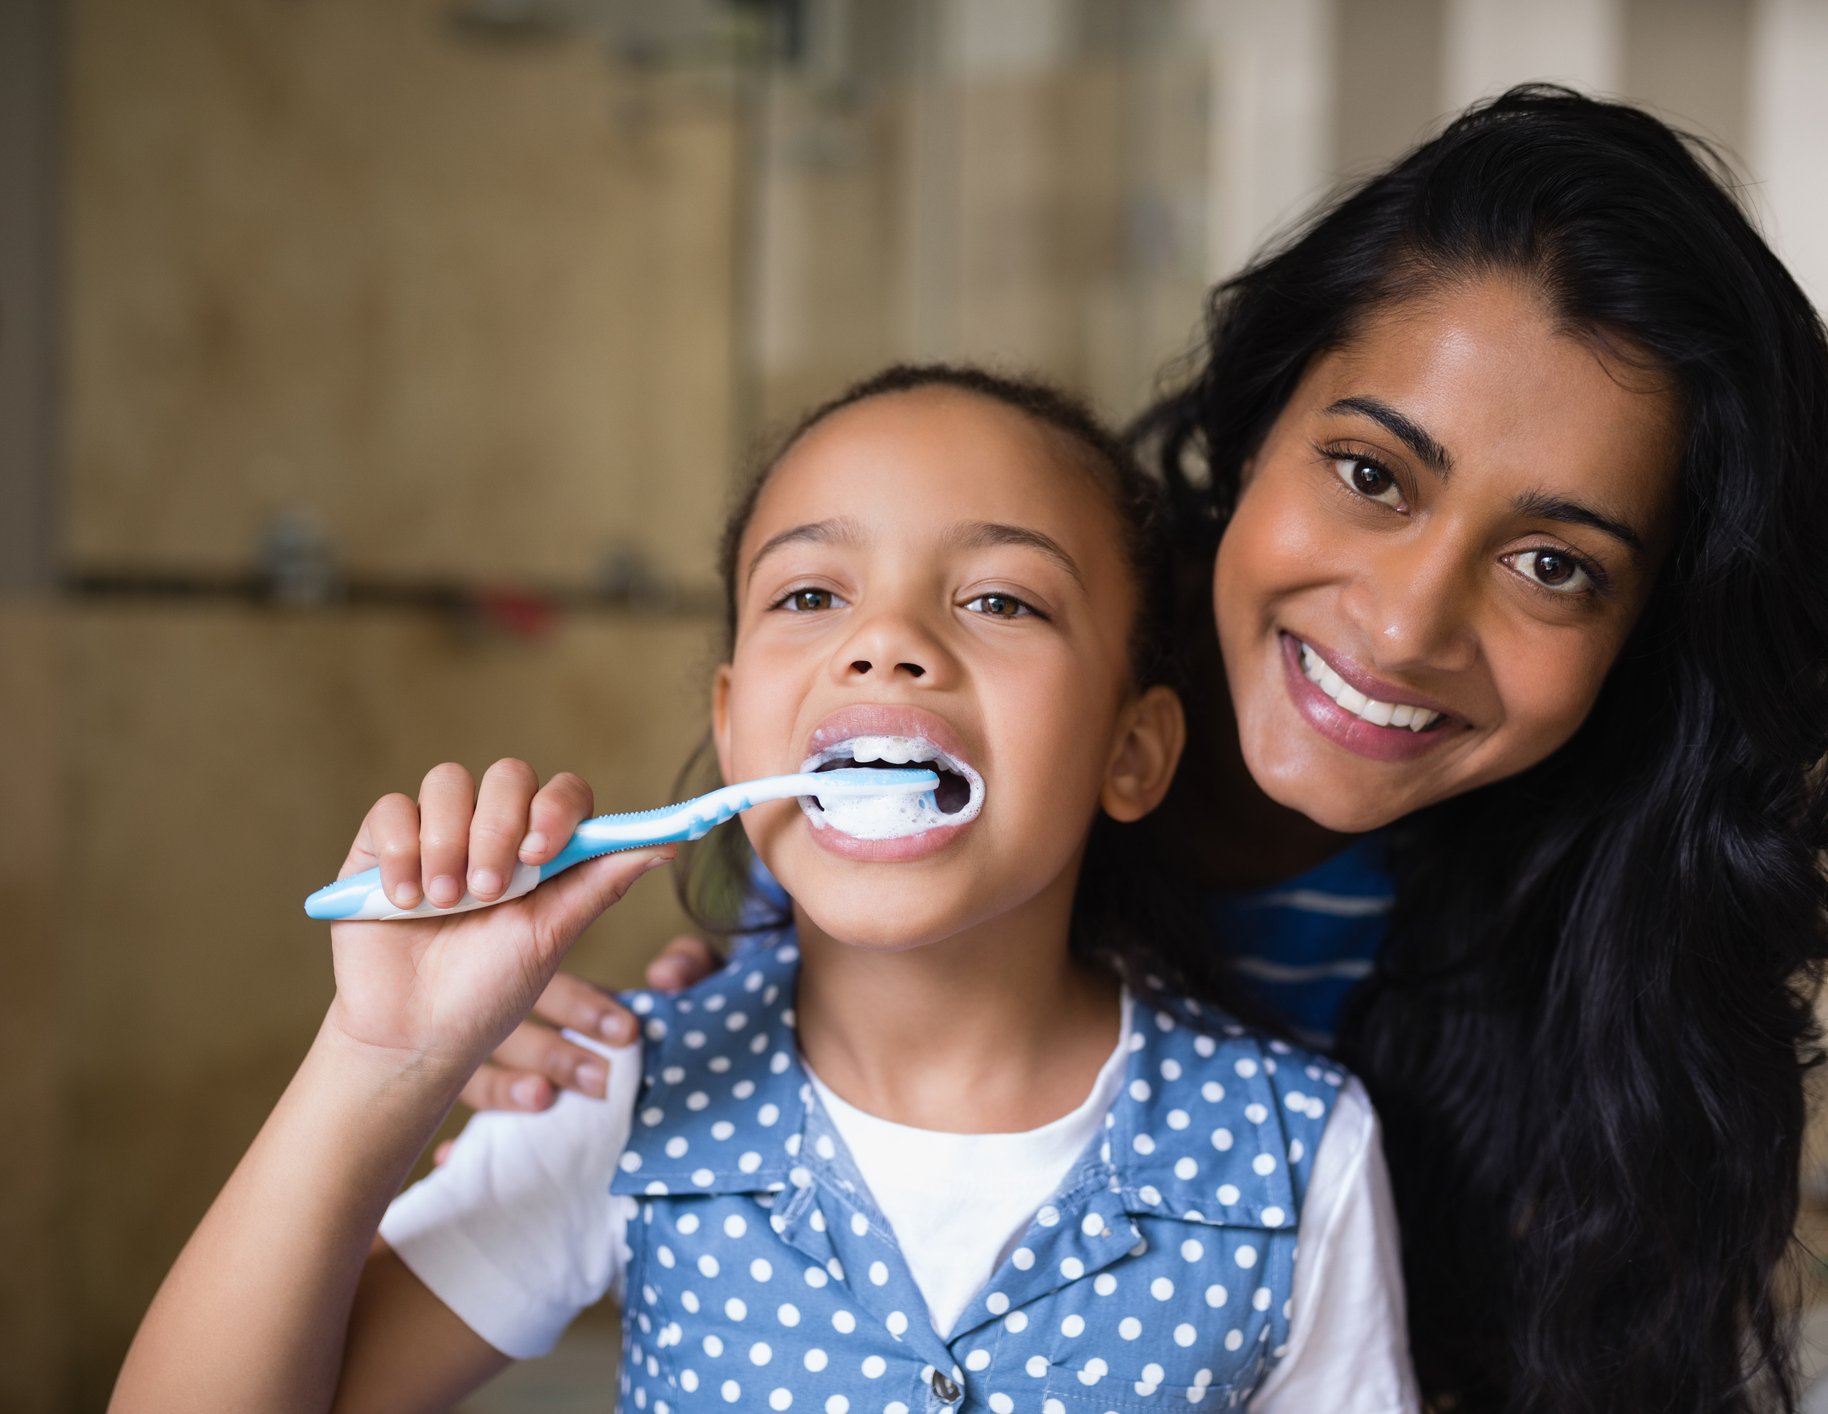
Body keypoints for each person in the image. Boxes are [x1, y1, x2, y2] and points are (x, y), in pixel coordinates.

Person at [486, 90, 1828, 1412]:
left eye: (1554, 565)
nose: (1404, 621)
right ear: (1257, 426)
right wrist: (595, 1049)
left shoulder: (1593, 961)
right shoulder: (961, 703)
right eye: (1370, 475)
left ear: (1642, 644)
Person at [110, 366, 1420, 1414]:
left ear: (1132, 750)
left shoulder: (1296, 1153)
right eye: (809, 591)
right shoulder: (625, 1093)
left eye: (1001, 600)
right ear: (737, 732)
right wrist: (377, 1056)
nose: (887, 640)